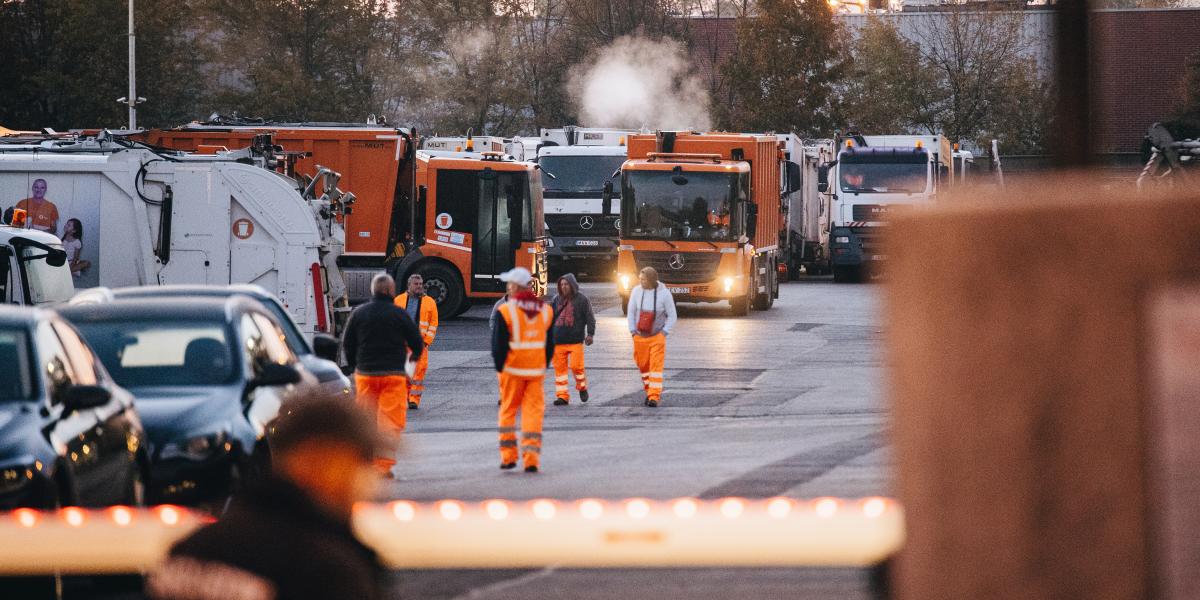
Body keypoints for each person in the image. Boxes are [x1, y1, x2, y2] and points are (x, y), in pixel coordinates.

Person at [147, 394, 388, 600]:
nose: (371, 480)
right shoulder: (327, 568)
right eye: (362, 461)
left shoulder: (190, 551)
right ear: (324, 460)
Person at [341, 273, 424, 476]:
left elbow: (348, 343)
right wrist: (409, 365)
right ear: (390, 291)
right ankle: (383, 465)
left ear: (373, 290)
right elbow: (417, 343)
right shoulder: (399, 314)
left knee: (367, 418)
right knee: (390, 421)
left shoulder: (359, 313)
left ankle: (365, 459)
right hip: (393, 375)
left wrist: (354, 366)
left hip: (366, 374)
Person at [491, 267, 555, 472]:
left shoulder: (506, 310)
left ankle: (509, 457)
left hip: (512, 369)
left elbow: (498, 344)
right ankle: (531, 459)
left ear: (515, 287)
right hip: (535, 371)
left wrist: (500, 368)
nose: (508, 288)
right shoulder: (545, 310)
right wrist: (543, 364)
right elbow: (550, 343)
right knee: (533, 414)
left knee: (508, 411)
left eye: (510, 284)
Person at [626, 267, 677, 407]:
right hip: (639, 337)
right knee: (643, 366)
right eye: (640, 279)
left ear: (651, 280)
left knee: (655, 367)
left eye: (644, 279)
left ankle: (654, 396)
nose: (641, 282)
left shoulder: (665, 294)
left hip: (657, 337)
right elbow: (630, 313)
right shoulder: (636, 291)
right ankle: (649, 390)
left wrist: (664, 333)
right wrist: (632, 331)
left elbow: (672, 316)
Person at [393, 274, 438, 410]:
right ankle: (406, 396)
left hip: (420, 344)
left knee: (419, 372)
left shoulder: (430, 302)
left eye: (421, 284)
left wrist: (426, 342)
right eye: (416, 284)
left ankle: (414, 400)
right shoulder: (398, 300)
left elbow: (433, 324)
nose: (419, 286)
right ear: (409, 285)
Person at [549, 273, 595, 406]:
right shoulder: (556, 299)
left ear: (572, 285)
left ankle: (582, 387)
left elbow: (590, 318)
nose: (563, 287)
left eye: (566, 284)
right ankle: (562, 396)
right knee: (560, 371)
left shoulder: (582, 300)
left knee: (576, 367)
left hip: (575, 341)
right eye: (561, 284)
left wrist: (590, 334)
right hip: (558, 341)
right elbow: (549, 318)